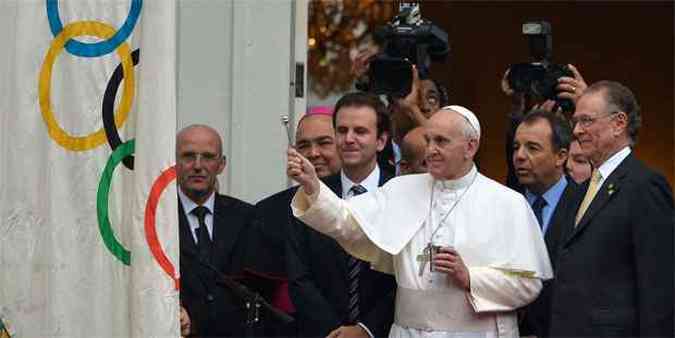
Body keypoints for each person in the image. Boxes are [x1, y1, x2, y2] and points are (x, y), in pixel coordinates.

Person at [287, 105, 553, 337]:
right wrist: (313, 188)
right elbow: (346, 222)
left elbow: (528, 285)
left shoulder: (507, 203)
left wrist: (470, 277)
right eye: (428, 140)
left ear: (470, 146)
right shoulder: (401, 189)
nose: (431, 151)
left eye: (441, 141)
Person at [548, 81, 674, 337]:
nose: (578, 130)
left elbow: (658, 286)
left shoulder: (644, 185)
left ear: (619, 123)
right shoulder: (582, 189)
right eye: (576, 122)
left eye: (587, 121)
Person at [287, 92, 397, 338]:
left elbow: (405, 278)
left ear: (381, 141)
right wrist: (334, 331)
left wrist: (365, 330)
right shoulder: (311, 194)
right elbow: (299, 275)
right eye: (342, 130)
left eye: (360, 131)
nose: (349, 139)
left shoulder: (401, 195)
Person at [177, 124, 260, 337]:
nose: (197, 165)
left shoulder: (247, 217)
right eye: (188, 156)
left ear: (221, 164)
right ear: (173, 162)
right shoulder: (156, 220)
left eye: (207, 157)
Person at [512, 109, 579, 337]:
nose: (519, 156)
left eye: (532, 148)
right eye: (516, 147)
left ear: (561, 156)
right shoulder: (503, 204)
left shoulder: (585, 206)